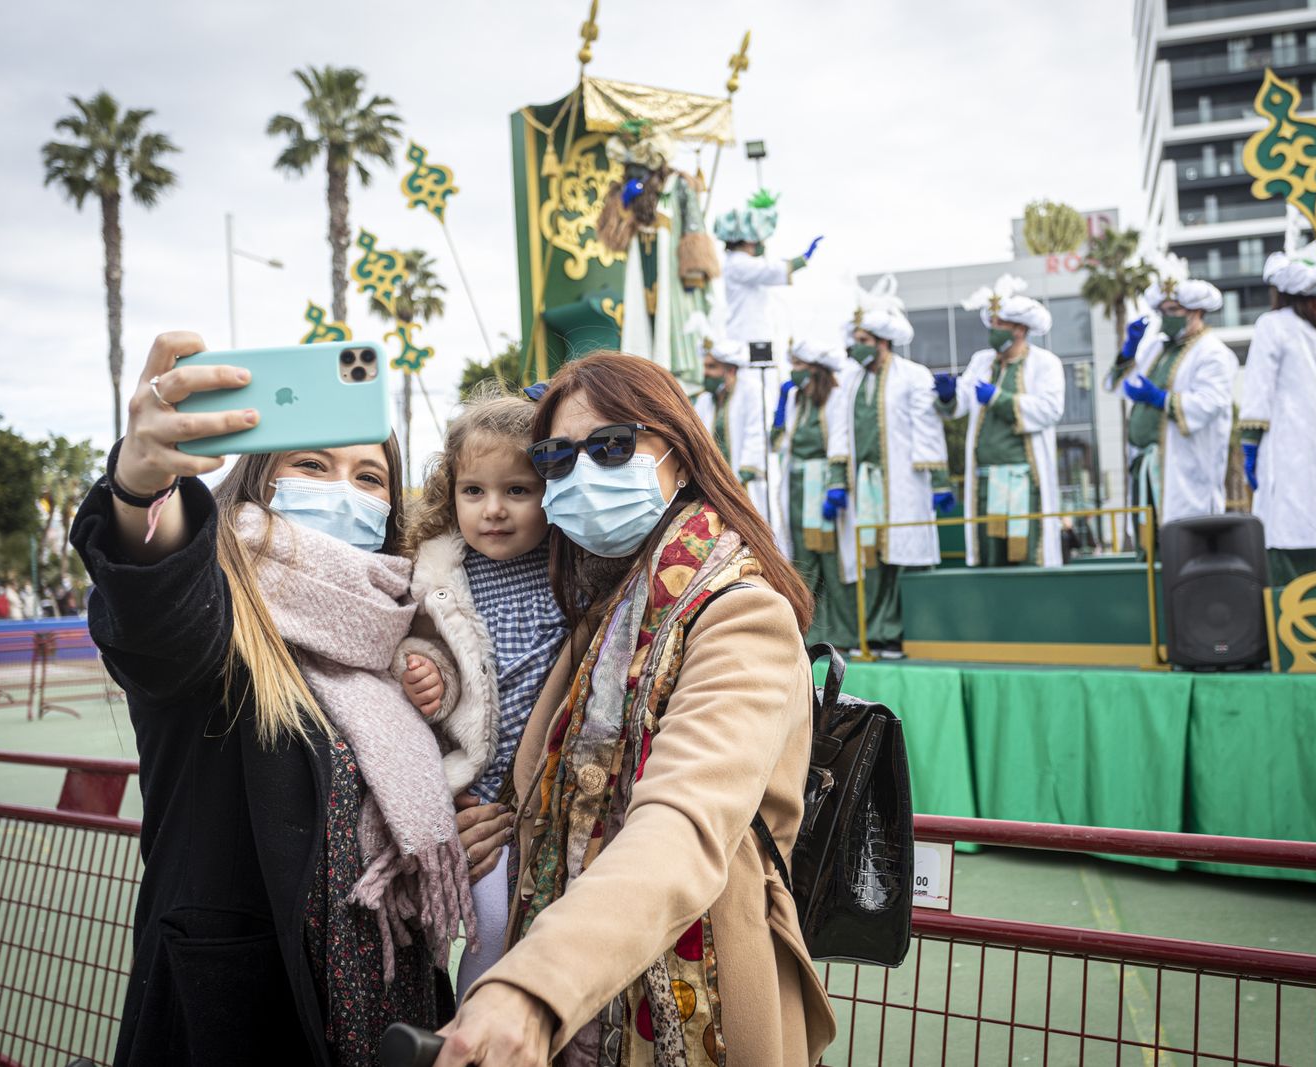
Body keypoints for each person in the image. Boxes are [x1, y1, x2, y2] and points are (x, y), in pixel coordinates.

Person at [72, 332, 502, 1067]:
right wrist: (140, 487)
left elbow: (363, 823)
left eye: (370, 475)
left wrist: (439, 840)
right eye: (312, 463)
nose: (345, 489)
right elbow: (158, 615)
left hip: (387, 1013)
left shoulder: (389, 641)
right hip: (241, 1022)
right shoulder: (220, 615)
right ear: (261, 483)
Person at [434, 352, 835, 1066]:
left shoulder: (740, 613)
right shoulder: (600, 611)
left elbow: (680, 822)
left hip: (694, 988)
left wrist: (532, 986)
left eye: (613, 445)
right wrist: (474, 822)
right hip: (587, 993)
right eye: (557, 458)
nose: (583, 471)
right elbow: (537, 786)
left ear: (678, 454)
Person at [394, 389, 568, 1001]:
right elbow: (422, 648)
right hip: (483, 793)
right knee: (491, 926)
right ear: (451, 492)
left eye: (517, 491)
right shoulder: (440, 571)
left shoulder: (570, 564)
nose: (493, 509)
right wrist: (428, 677)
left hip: (559, 793)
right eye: (474, 491)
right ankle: (472, 1031)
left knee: (556, 930)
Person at [822, 276, 952, 659]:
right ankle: (875, 634)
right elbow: (842, 431)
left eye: (863, 341)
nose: (856, 347)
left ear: (881, 342)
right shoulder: (851, 381)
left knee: (902, 555)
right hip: (865, 484)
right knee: (870, 558)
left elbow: (928, 430)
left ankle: (899, 634)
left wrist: (939, 480)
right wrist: (836, 480)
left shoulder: (913, 375)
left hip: (904, 481)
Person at [1241, 246, 1316, 584]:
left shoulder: (1271, 325)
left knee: (1287, 535)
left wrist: (1249, 444)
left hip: (1285, 451)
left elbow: (1258, 390)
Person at [1105, 258, 1237, 540]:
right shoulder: (1156, 347)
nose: (1167, 316)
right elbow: (1118, 386)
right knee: (1148, 540)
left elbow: (1210, 403)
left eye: (1174, 310)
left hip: (1183, 467)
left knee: (1182, 540)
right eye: (1163, 310)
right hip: (1146, 466)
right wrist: (1129, 350)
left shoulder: (1213, 352)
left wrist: (1160, 399)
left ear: (1196, 311)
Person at [939, 275, 1066, 568]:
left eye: (999, 325)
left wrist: (999, 398)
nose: (992, 331)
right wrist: (947, 397)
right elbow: (962, 403)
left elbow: (1050, 410)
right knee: (989, 554)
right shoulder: (982, 361)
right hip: (984, 481)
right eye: (992, 324)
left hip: (1024, 481)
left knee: (1025, 553)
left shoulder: (1046, 363)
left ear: (1020, 329)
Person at [596, 122, 717, 392]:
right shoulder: (625, 192)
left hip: (673, 272)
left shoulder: (678, 185)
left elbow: (694, 225)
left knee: (671, 322)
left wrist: (694, 271)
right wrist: (623, 204)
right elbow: (613, 237)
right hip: (641, 268)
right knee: (642, 321)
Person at [771, 338, 859, 646]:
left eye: (799, 366)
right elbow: (777, 444)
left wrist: (836, 486)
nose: (793, 372)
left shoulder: (836, 396)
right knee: (803, 564)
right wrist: (779, 412)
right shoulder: (796, 398)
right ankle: (806, 633)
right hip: (796, 488)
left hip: (822, 486)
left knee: (833, 563)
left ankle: (846, 634)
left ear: (816, 370)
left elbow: (840, 441)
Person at [713, 190, 821, 357]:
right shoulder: (738, 263)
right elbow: (771, 270)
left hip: (754, 335)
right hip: (748, 337)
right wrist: (803, 259)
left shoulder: (739, 261)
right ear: (749, 240)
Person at [689, 311, 771, 523]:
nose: (705, 373)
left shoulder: (751, 391)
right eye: (705, 366)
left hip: (745, 483)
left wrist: (743, 475)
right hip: (714, 488)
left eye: (712, 367)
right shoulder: (706, 400)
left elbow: (756, 433)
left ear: (730, 370)